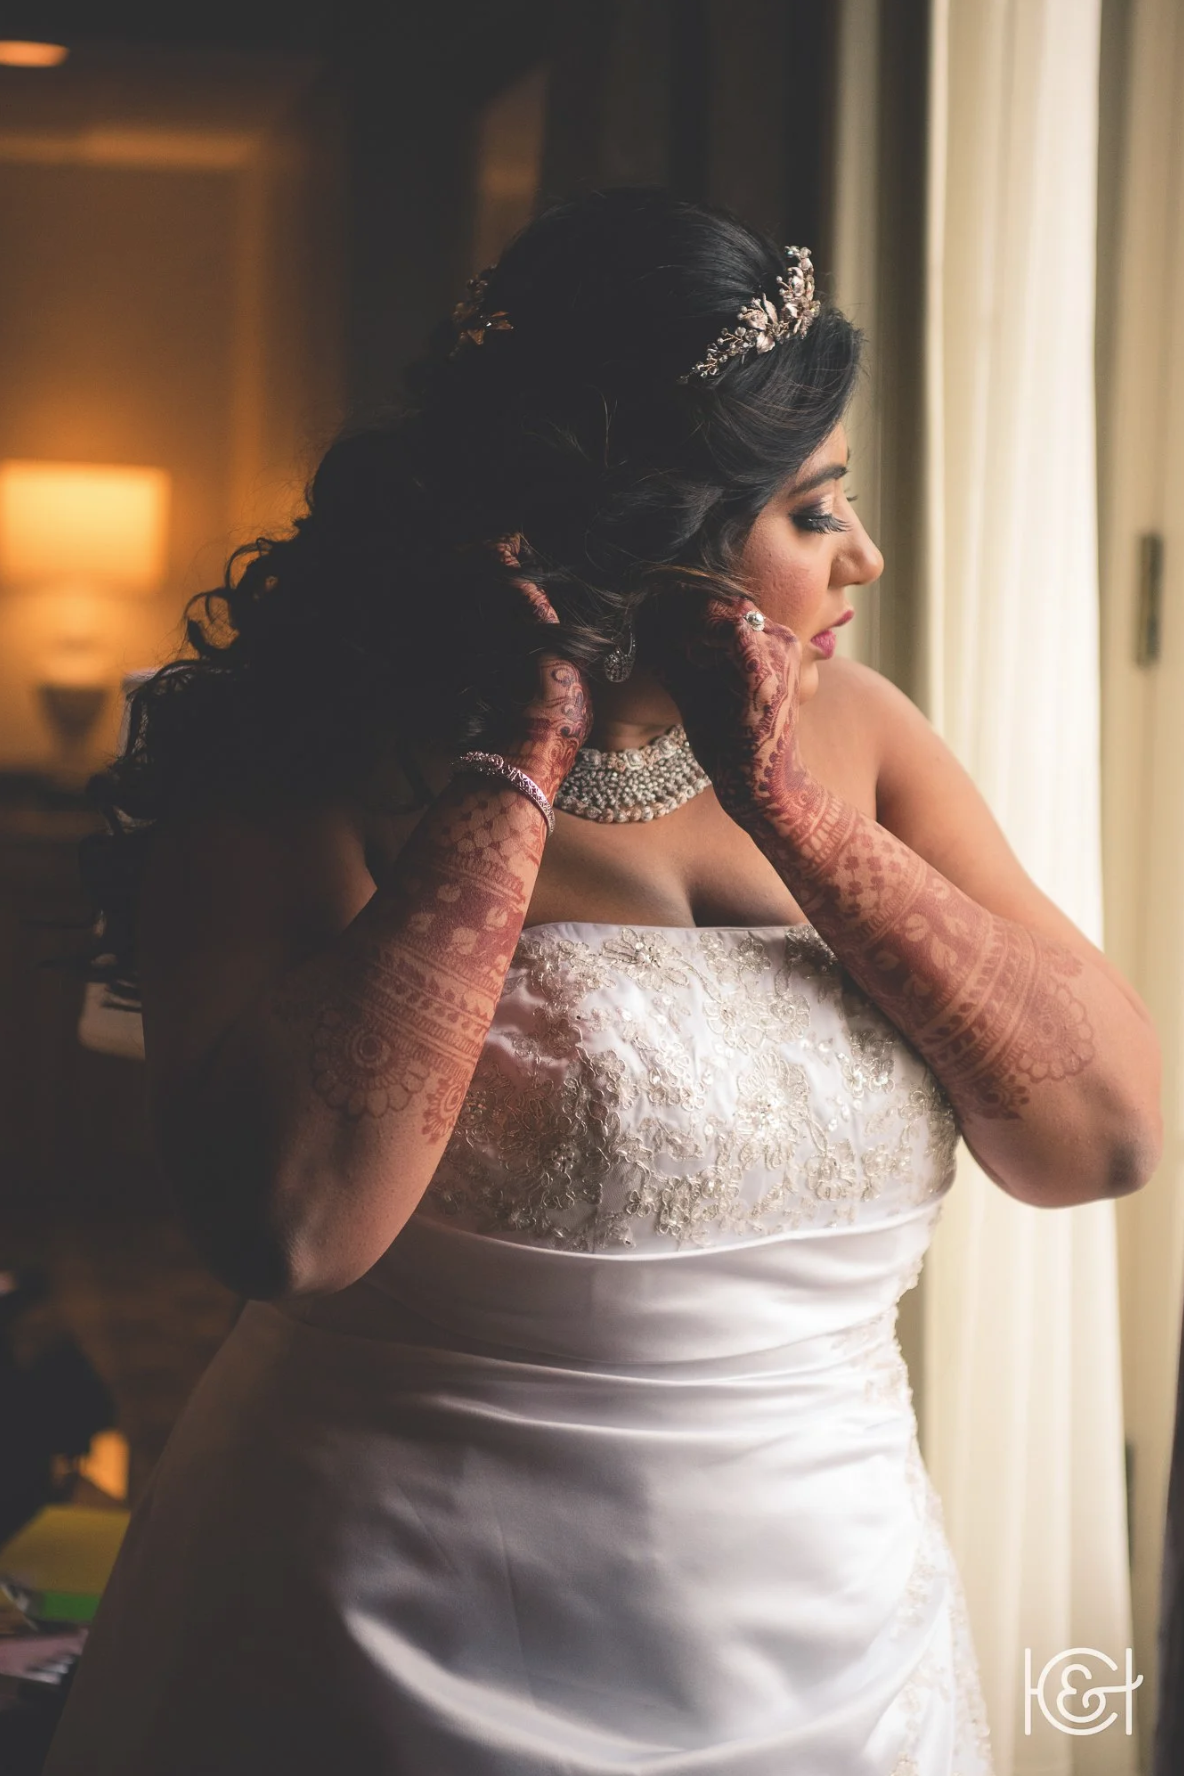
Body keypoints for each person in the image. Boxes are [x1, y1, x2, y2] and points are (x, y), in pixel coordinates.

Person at [45, 187, 1160, 1776]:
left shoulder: (868, 742)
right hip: (392, 1635)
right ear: (650, 540)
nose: (867, 554)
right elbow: (293, 1229)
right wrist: (520, 754)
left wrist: (788, 803)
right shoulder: (306, 757)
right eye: (812, 510)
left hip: (836, 1627)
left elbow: (1103, 1140)